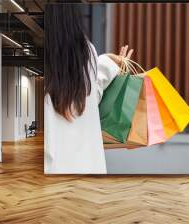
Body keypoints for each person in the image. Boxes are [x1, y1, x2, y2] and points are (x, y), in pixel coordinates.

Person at [44, 4, 133, 174]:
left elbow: (88, 96)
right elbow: (89, 96)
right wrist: (111, 63)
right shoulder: (86, 51)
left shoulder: (50, 58)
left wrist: (110, 63)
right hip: (90, 169)